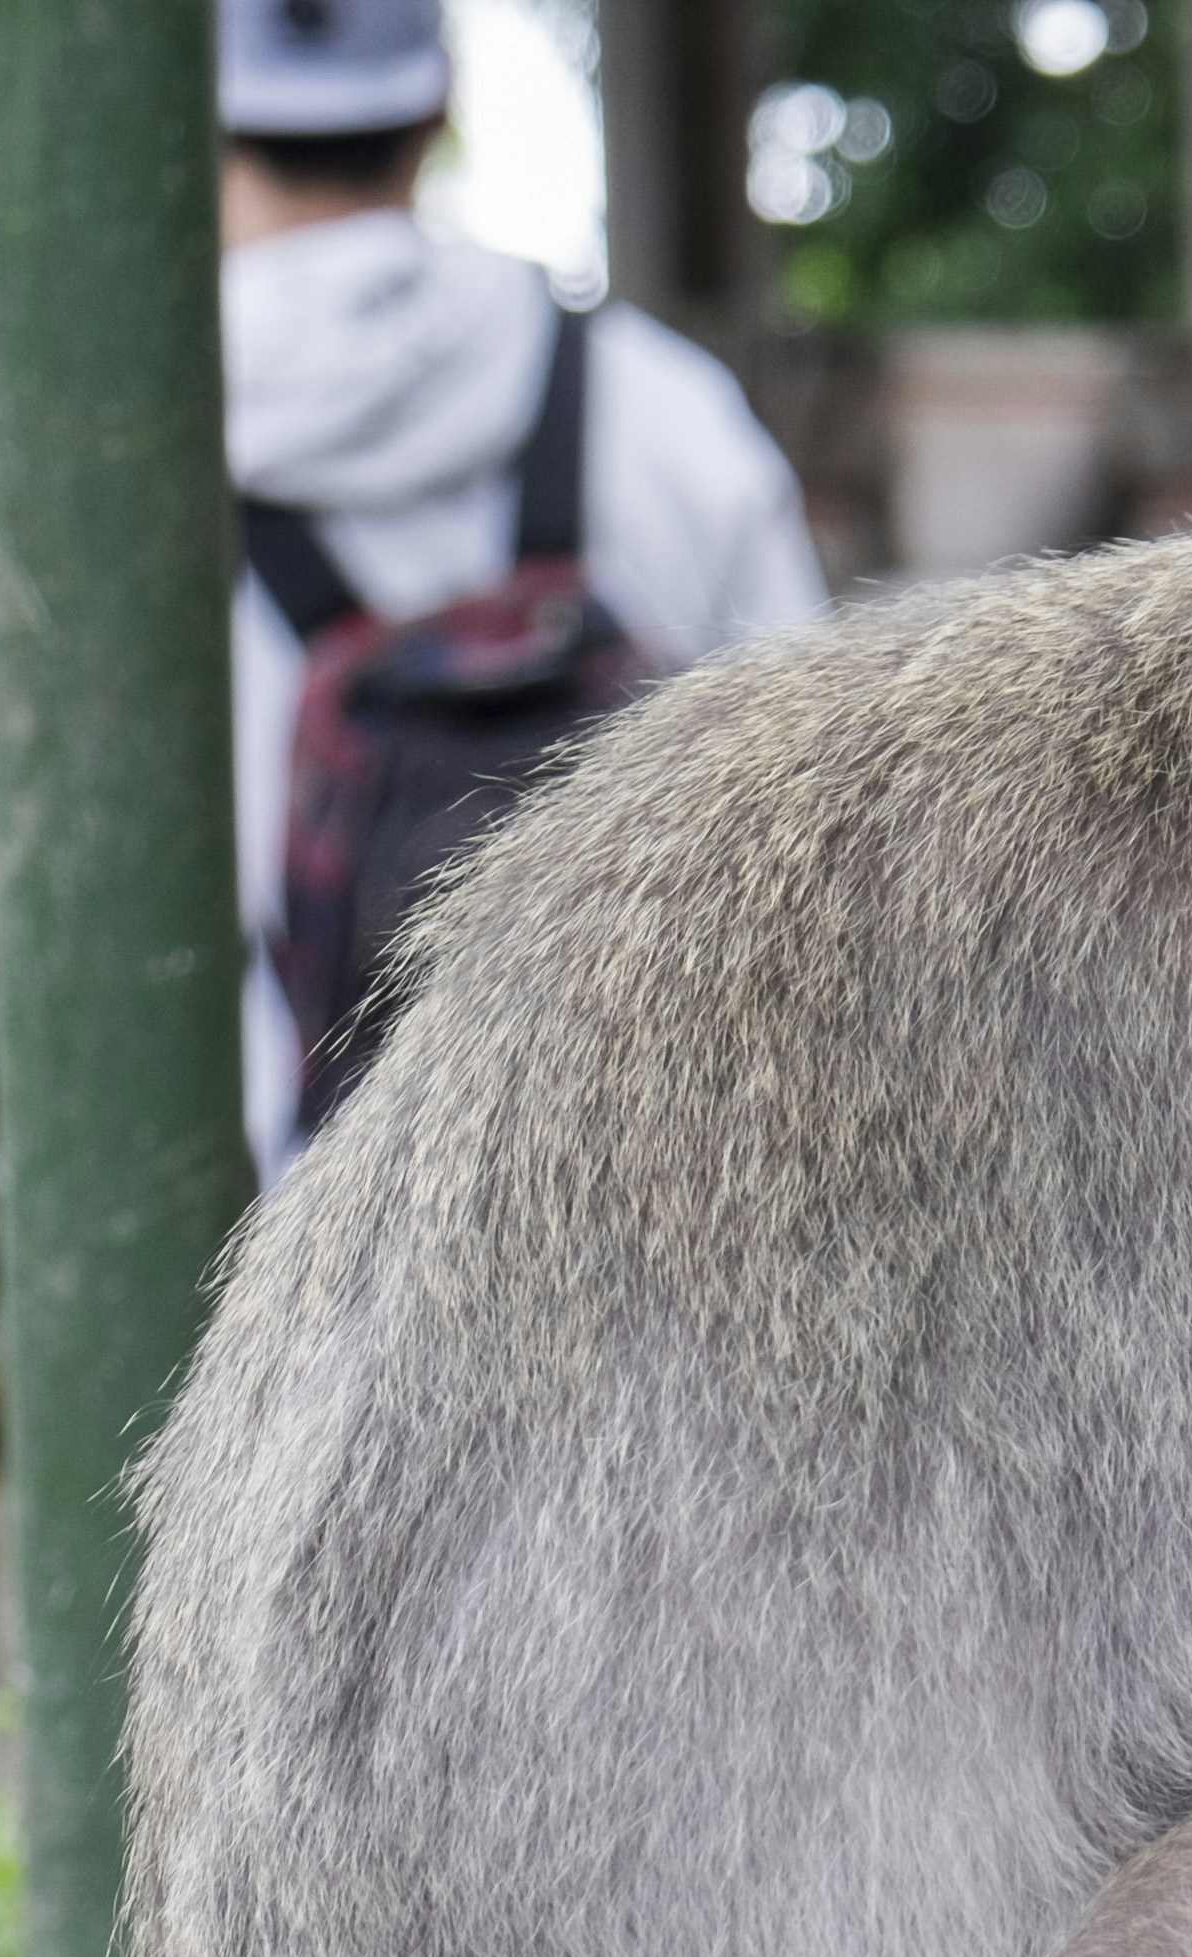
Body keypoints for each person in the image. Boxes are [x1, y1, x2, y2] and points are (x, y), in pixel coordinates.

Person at [217, 0, 825, 1176]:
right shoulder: (665, 405)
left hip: (267, 1235)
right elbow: (813, 838)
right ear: (439, 105)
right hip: (633, 1202)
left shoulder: (115, 469)